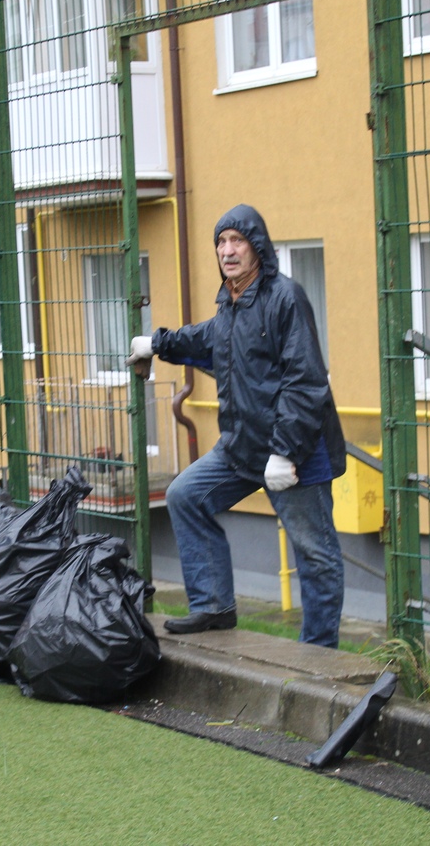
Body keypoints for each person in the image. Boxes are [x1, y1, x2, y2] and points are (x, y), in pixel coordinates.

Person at [126, 204, 348, 648]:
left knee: (315, 554)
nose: (227, 251)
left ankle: (319, 653)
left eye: (237, 241)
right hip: (243, 445)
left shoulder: (285, 297)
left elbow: (306, 382)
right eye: (221, 243)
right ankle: (213, 606)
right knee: (185, 495)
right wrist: (156, 343)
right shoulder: (229, 303)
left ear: (257, 248)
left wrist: (285, 451)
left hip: (296, 453)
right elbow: (202, 339)